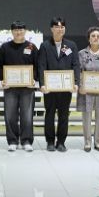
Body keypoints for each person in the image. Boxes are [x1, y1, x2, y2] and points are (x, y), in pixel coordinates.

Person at [38, 17, 80, 152]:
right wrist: (42, 84)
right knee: (49, 114)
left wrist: (76, 82)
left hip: (65, 87)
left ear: (64, 29)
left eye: (62, 27)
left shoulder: (71, 45)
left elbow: (76, 64)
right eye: (57, 27)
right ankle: (50, 142)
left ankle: (61, 142)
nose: (59, 29)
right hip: (49, 88)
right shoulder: (45, 46)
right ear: (52, 29)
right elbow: (41, 65)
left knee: (64, 115)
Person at [0, 21, 38, 152]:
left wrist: (34, 79)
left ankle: (26, 141)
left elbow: (38, 65)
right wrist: (3, 79)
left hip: (27, 88)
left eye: (21, 29)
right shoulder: (5, 47)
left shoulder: (32, 47)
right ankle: (12, 141)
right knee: (10, 115)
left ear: (25, 31)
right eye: (15, 30)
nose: (18, 32)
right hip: (10, 88)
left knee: (27, 116)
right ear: (12, 31)